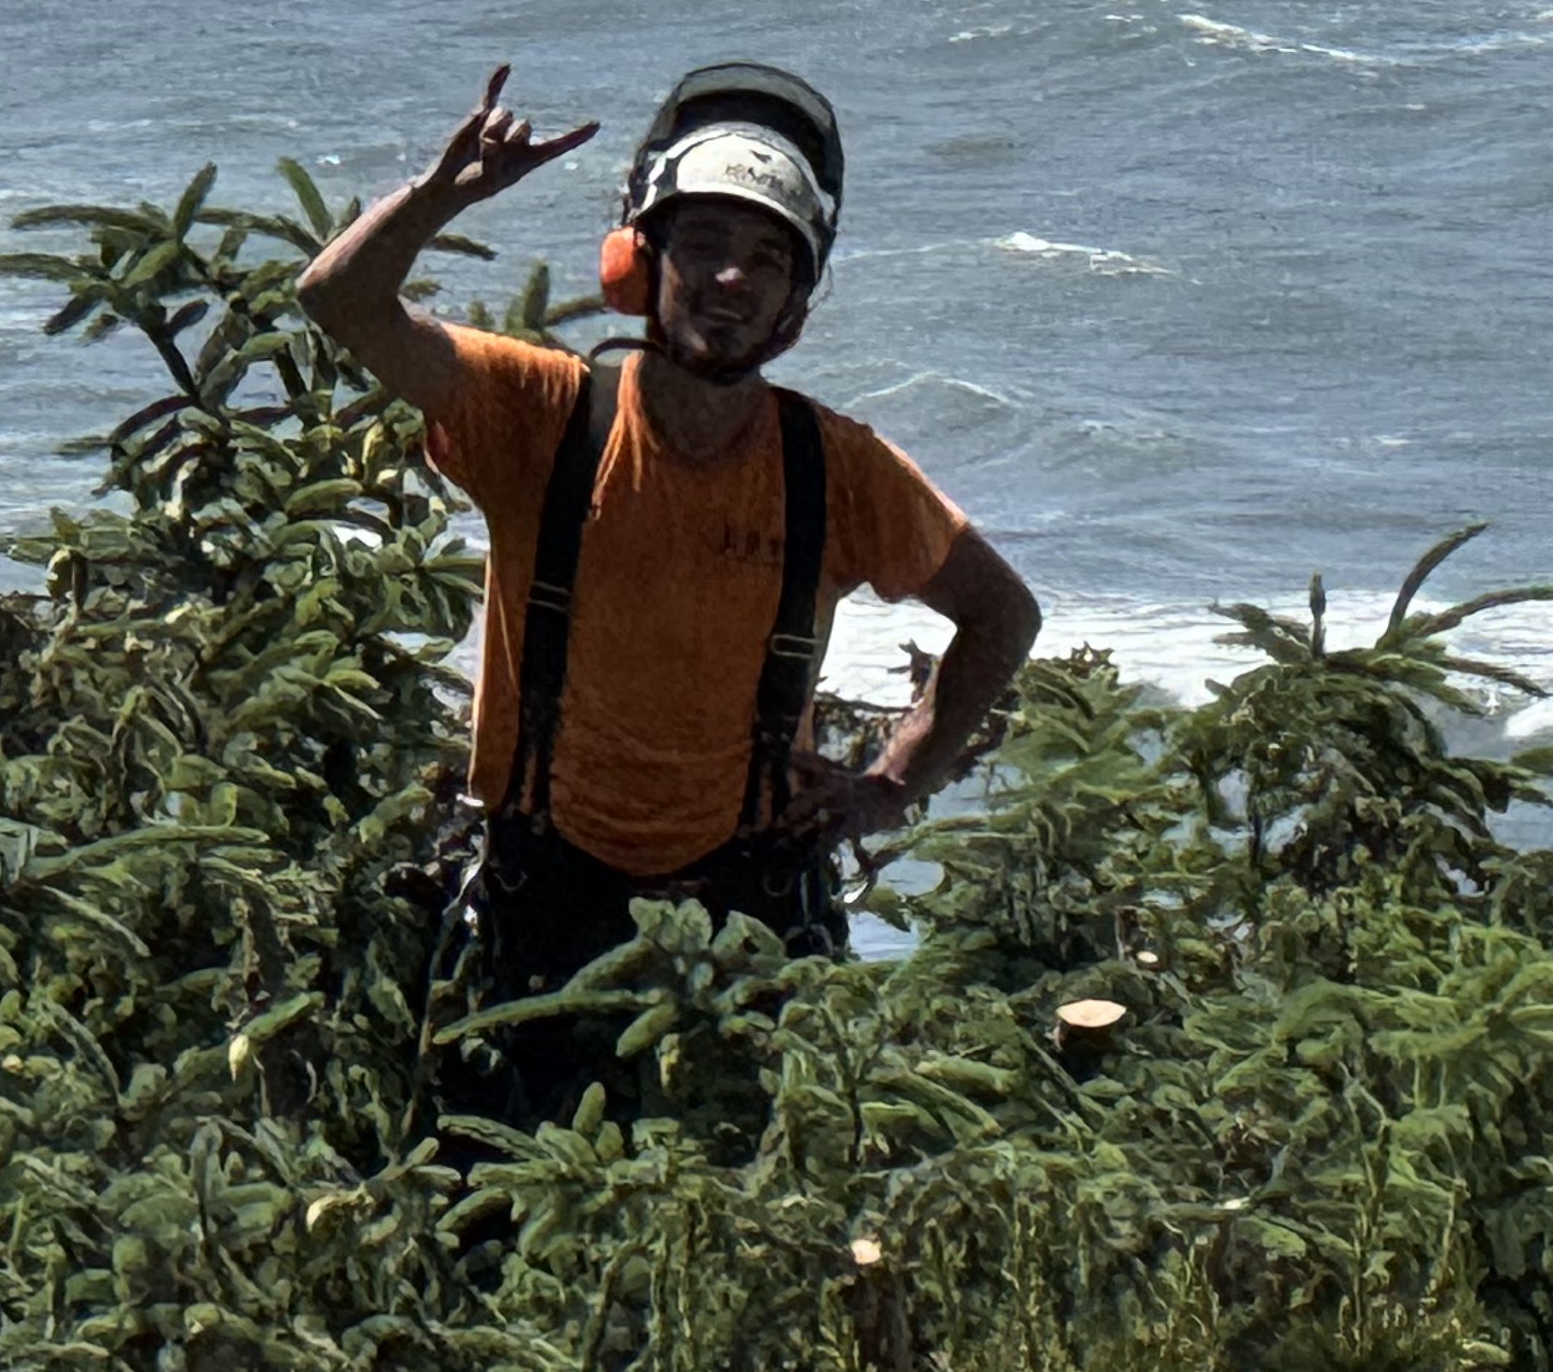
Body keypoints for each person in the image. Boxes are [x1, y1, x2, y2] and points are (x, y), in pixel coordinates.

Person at [301, 60, 1040, 1087]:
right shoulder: (539, 414)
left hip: (751, 912)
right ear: (637, 263)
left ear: (797, 302)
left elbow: (1002, 615)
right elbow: (340, 300)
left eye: (767, 260)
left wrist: (892, 785)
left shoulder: (838, 469)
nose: (731, 279)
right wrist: (440, 198)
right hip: (538, 902)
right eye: (702, 245)